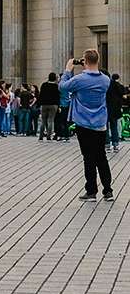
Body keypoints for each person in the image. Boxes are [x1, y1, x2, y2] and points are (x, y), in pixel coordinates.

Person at [61, 51, 113, 201]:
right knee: (101, 157)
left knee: (88, 157)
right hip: (100, 123)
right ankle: (108, 191)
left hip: (83, 123)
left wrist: (67, 70)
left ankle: (91, 191)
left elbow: (63, 87)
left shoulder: (80, 79)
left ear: (85, 61)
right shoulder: (105, 80)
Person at [38, 72, 60, 141]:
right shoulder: (56, 86)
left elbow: (40, 95)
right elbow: (57, 97)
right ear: (55, 78)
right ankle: (48, 136)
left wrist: (39, 104)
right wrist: (58, 106)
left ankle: (41, 136)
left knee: (43, 121)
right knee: (50, 120)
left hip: (44, 104)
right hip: (53, 105)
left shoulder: (44, 85)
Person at [107, 74, 125, 154]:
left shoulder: (107, 86)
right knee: (115, 126)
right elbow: (122, 96)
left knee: (106, 128)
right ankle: (116, 145)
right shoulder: (119, 86)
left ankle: (107, 144)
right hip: (115, 109)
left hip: (106, 109)